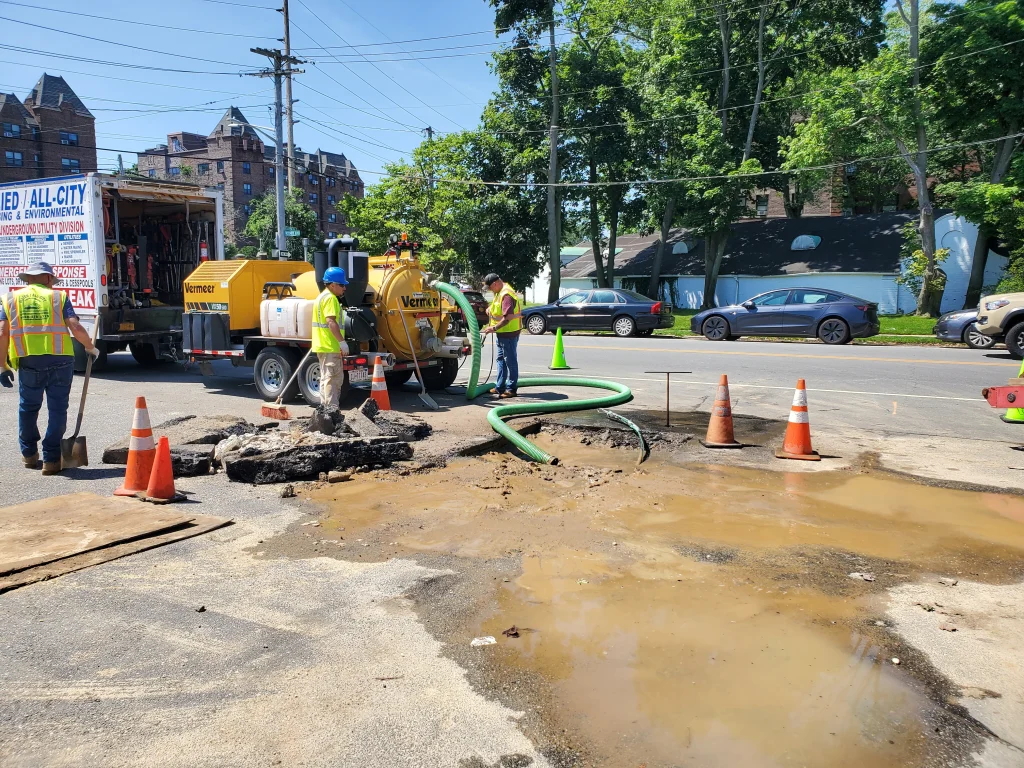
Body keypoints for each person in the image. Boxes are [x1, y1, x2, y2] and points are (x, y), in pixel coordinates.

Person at [0, 262, 99, 475]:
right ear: (47, 278)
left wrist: (2, 365)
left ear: (28, 278)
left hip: (28, 361)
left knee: (28, 408)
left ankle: (29, 455)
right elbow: (75, 326)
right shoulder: (58, 297)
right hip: (61, 361)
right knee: (57, 410)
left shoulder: (10, 299)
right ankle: (52, 459)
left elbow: (2, 333)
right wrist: (90, 347)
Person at [312, 266, 350, 408]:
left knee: (326, 379)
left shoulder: (321, 297)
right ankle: (331, 413)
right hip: (330, 346)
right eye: (342, 285)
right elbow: (331, 321)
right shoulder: (330, 299)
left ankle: (325, 412)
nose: (344, 288)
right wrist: (342, 342)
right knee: (332, 380)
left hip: (323, 345)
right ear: (332, 285)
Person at [481, 272, 522, 399]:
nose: (490, 290)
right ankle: (500, 387)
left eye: (490, 287)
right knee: (501, 360)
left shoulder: (506, 295)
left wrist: (493, 328)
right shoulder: (499, 292)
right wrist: (489, 309)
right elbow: (497, 307)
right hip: (502, 333)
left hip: (509, 333)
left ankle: (511, 389)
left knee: (510, 361)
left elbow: (507, 318)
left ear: (495, 283)